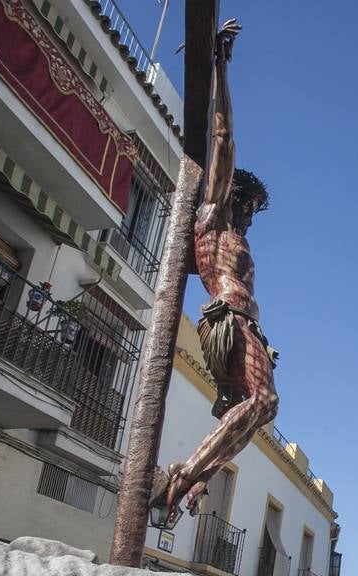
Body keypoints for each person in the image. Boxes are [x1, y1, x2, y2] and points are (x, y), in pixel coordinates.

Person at [151, 18, 279, 527]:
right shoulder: (215, 218)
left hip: (237, 328)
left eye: (250, 207)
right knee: (264, 401)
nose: (247, 212)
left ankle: (197, 476)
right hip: (227, 320)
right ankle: (183, 473)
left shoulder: (234, 234)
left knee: (249, 416)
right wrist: (222, 67)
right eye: (244, 202)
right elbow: (222, 140)